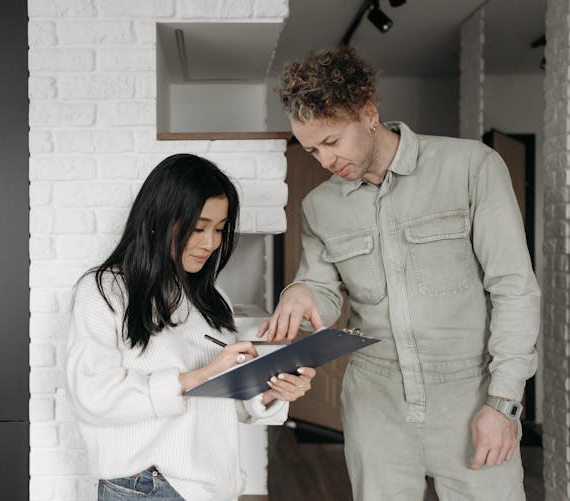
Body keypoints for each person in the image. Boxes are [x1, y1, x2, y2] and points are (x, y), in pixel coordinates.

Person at [258, 46, 540, 500]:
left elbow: (515, 290)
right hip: (375, 401)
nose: (325, 162)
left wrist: (504, 404)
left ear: (369, 114)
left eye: (332, 142)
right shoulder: (320, 206)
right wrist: (301, 292)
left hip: (470, 393)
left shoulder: (471, 167)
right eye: (312, 150)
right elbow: (323, 291)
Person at [65, 153, 317, 501]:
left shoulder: (213, 300)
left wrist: (273, 392)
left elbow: (222, 402)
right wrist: (197, 376)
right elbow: (93, 396)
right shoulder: (104, 291)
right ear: (159, 219)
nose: (211, 243)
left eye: (219, 229)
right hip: (146, 487)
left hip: (211, 487)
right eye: (198, 228)